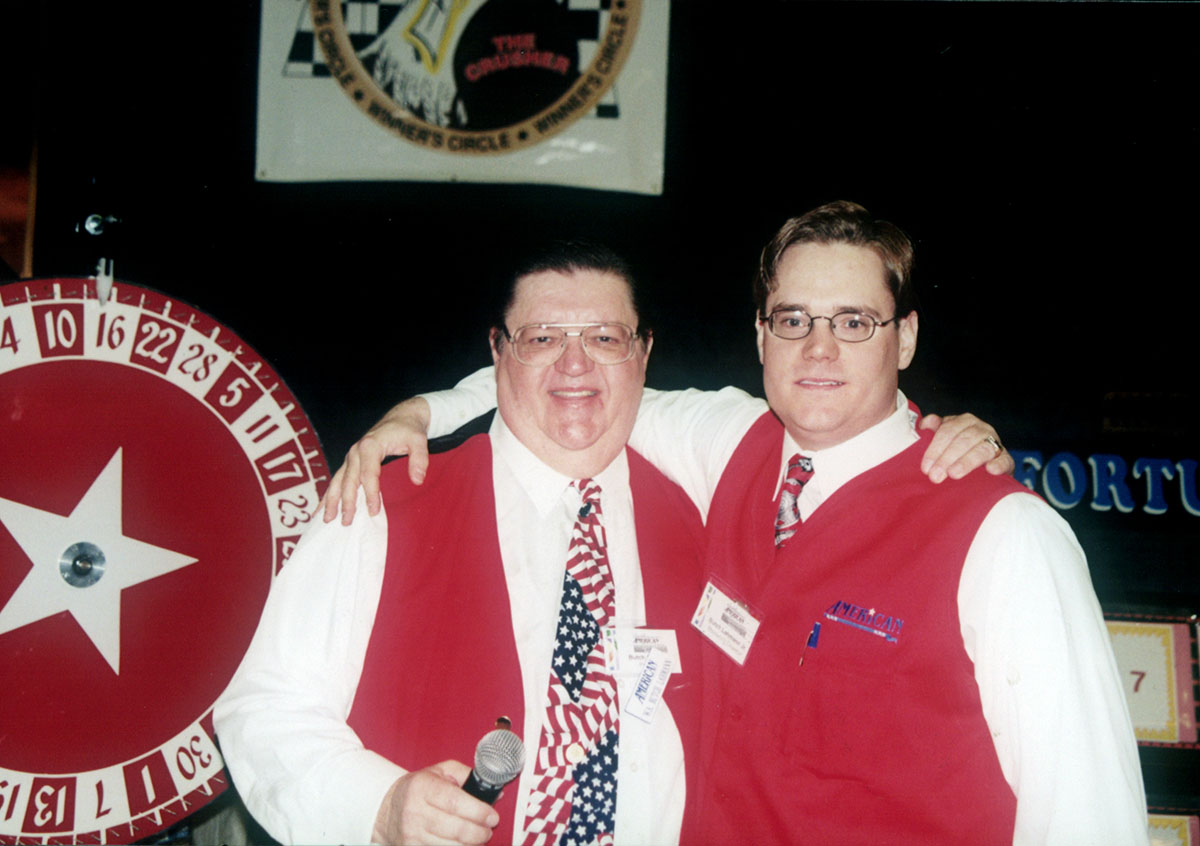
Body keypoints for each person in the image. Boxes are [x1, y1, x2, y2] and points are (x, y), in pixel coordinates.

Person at [322, 202, 1147, 844]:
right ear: (761, 334)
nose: (818, 348)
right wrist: (422, 411)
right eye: (793, 319)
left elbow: (1089, 816)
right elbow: (570, 377)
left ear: (905, 339)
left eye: (853, 322)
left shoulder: (1005, 536)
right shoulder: (730, 445)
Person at [215, 242, 709, 845]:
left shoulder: (701, 516)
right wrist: (378, 807)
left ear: (643, 352)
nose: (575, 364)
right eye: (542, 338)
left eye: (605, 338)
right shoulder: (382, 501)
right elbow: (264, 707)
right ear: (498, 351)